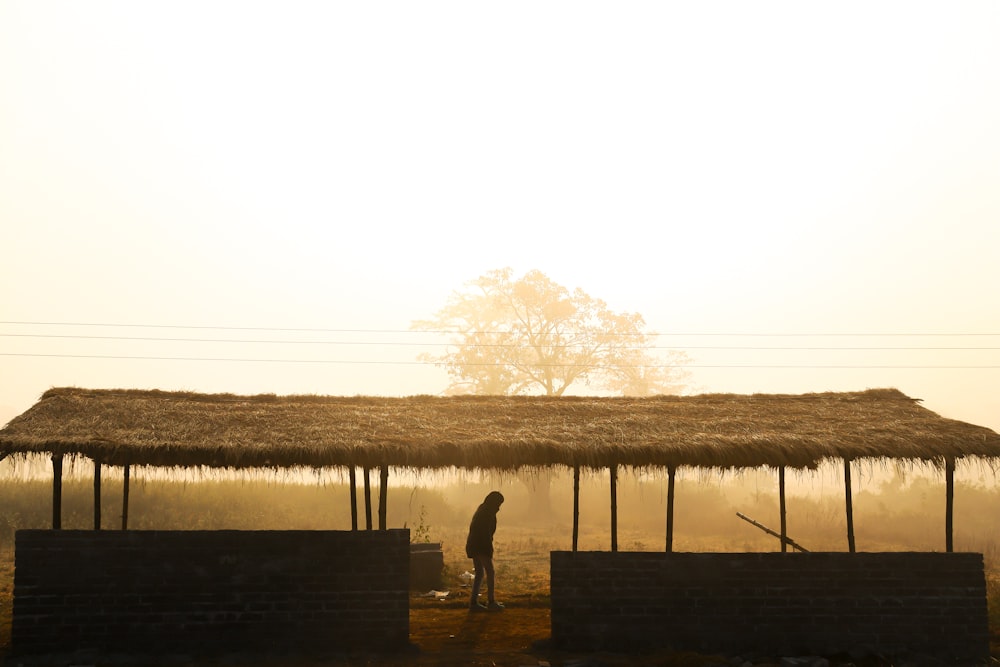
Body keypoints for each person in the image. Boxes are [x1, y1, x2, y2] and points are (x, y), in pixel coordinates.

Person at [465, 490, 505, 612]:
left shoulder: (482, 510)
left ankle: (473, 603)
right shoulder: (487, 513)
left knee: (480, 573)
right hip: (481, 546)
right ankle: (491, 602)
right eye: (499, 504)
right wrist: (489, 549)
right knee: (490, 572)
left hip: (474, 545)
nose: (499, 507)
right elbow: (485, 534)